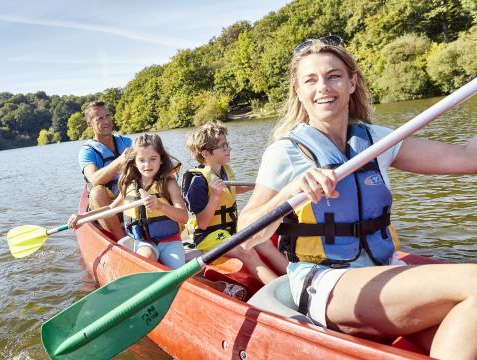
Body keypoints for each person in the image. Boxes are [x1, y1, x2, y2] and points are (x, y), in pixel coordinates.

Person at [237, 36, 477, 359]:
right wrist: (292, 191)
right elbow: (247, 233)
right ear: (298, 91)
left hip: (385, 270)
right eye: (311, 79)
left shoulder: (377, 141)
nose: (323, 86)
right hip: (325, 283)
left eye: (334, 75)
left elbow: (467, 159)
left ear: (352, 83)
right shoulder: (285, 153)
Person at [182, 121, 288, 285]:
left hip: (229, 230)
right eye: (223, 146)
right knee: (247, 252)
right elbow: (202, 223)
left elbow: (233, 190)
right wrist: (215, 196)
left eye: (227, 144)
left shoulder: (224, 170)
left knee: (264, 242)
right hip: (207, 236)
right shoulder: (197, 181)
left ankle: (296, 283)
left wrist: (265, 186)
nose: (229, 149)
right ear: (205, 153)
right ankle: (281, 291)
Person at [70, 133, 187, 269]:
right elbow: (110, 210)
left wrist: (160, 206)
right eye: (141, 160)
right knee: (147, 257)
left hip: (170, 241)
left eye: (153, 159)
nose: (147, 165)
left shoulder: (169, 184)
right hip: (143, 242)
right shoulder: (129, 185)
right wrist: (82, 217)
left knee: (179, 271)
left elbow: (184, 217)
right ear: (134, 162)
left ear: (161, 159)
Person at [78, 101, 132, 240]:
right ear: (90, 124)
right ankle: (123, 242)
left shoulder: (126, 142)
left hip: (128, 197)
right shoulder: (87, 152)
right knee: (97, 192)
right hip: (107, 206)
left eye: (107, 116)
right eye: (100, 118)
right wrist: (120, 160)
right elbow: (94, 179)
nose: (107, 121)